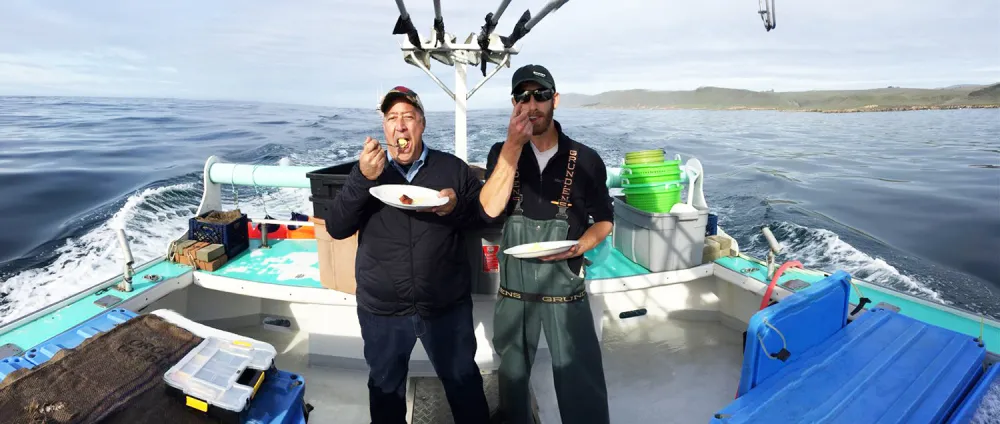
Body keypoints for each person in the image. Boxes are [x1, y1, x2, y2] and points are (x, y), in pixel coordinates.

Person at [321, 86, 491, 424]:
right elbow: (337, 227)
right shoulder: (370, 173)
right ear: (384, 128)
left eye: (408, 117)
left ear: (422, 124)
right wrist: (360, 178)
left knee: (464, 386)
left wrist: (455, 207)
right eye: (392, 118)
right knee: (385, 392)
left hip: (445, 305)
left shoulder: (453, 169)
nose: (400, 126)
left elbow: (483, 216)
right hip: (382, 309)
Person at [479, 65, 614, 424]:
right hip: (514, 290)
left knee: (579, 375)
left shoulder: (586, 159)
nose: (532, 104)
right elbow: (490, 208)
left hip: (565, 288)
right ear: (514, 104)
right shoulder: (501, 152)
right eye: (523, 97)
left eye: (540, 95)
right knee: (511, 377)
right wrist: (512, 145)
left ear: (555, 99)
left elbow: (604, 219)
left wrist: (582, 244)